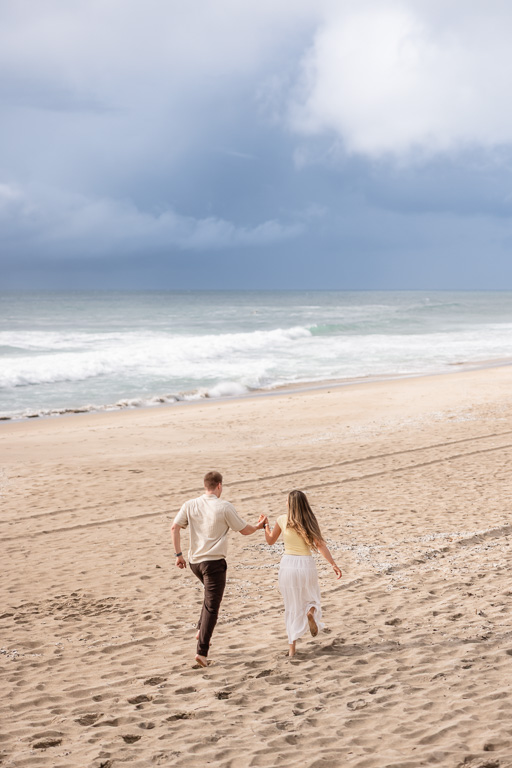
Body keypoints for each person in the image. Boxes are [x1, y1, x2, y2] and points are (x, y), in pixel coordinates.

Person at [171, 470, 266, 668]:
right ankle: (202, 652)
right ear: (219, 486)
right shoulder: (224, 507)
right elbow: (244, 530)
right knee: (213, 607)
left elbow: (174, 527)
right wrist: (259, 526)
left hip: (194, 563)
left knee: (209, 597)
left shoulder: (190, 504)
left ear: (205, 485)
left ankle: (200, 629)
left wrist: (178, 555)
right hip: (213, 564)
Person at [261, 489, 341, 657]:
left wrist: (265, 525)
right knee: (312, 598)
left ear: (289, 504)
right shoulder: (309, 521)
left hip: (288, 565)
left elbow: (270, 541)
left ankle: (292, 650)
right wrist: (333, 564)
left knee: (291, 606)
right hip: (306, 564)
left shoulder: (282, 520)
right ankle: (310, 612)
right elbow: (320, 546)